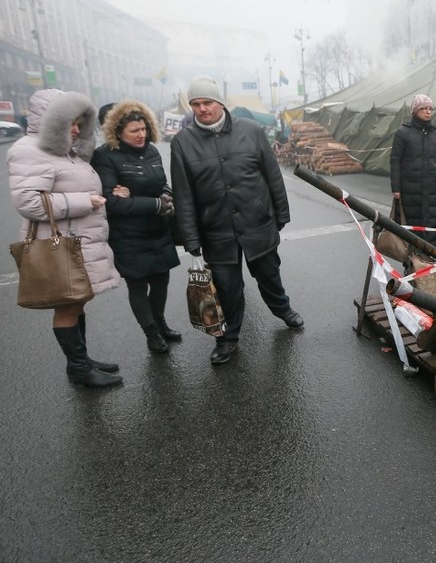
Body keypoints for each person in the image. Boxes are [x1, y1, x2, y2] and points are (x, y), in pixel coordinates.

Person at [170, 75, 303, 366]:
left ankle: (283, 309)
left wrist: (281, 214)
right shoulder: (183, 142)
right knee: (227, 288)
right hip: (216, 230)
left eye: (207, 102)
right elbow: (183, 196)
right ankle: (227, 338)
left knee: (269, 275)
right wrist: (191, 240)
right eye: (196, 104)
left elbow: (272, 176)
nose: (202, 108)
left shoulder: (251, 131)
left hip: (257, 223)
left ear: (219, 103)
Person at [7, 89, 122, 388]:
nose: (76, 129)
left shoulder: (67, 152)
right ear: (50, 120)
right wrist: (85, 200)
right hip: (59, 245)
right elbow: (30, 203)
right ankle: (80, 368)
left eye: (79, 123)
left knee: (77, 300)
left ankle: (81, 361)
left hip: (77, 242)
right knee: (68, 304)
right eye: (71, 122)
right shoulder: (29, 149)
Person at [91, 100, 182, 354]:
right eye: (134, 131)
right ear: (118, 132)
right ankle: (151, 332)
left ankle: (161, 323)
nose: (141, 135)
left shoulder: (151, 151)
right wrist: (155, 203)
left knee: (162, 281)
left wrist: (160, 195)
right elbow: (112, 203)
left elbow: (161, 183)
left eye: (143, 129)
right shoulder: (105, 156)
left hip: (158, 230)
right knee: (139, 285)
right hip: (128, 236)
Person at [389, 94, 436, 248]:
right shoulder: (403, 133)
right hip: (410, 192)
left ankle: (432, 262)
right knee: (412, 230)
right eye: (424, 108)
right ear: (415, 111)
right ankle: (412, 264)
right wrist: (396, 188)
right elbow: (395, 161)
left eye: (430, 109)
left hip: (432, 192)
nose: (428, 112)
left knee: (432, 227)